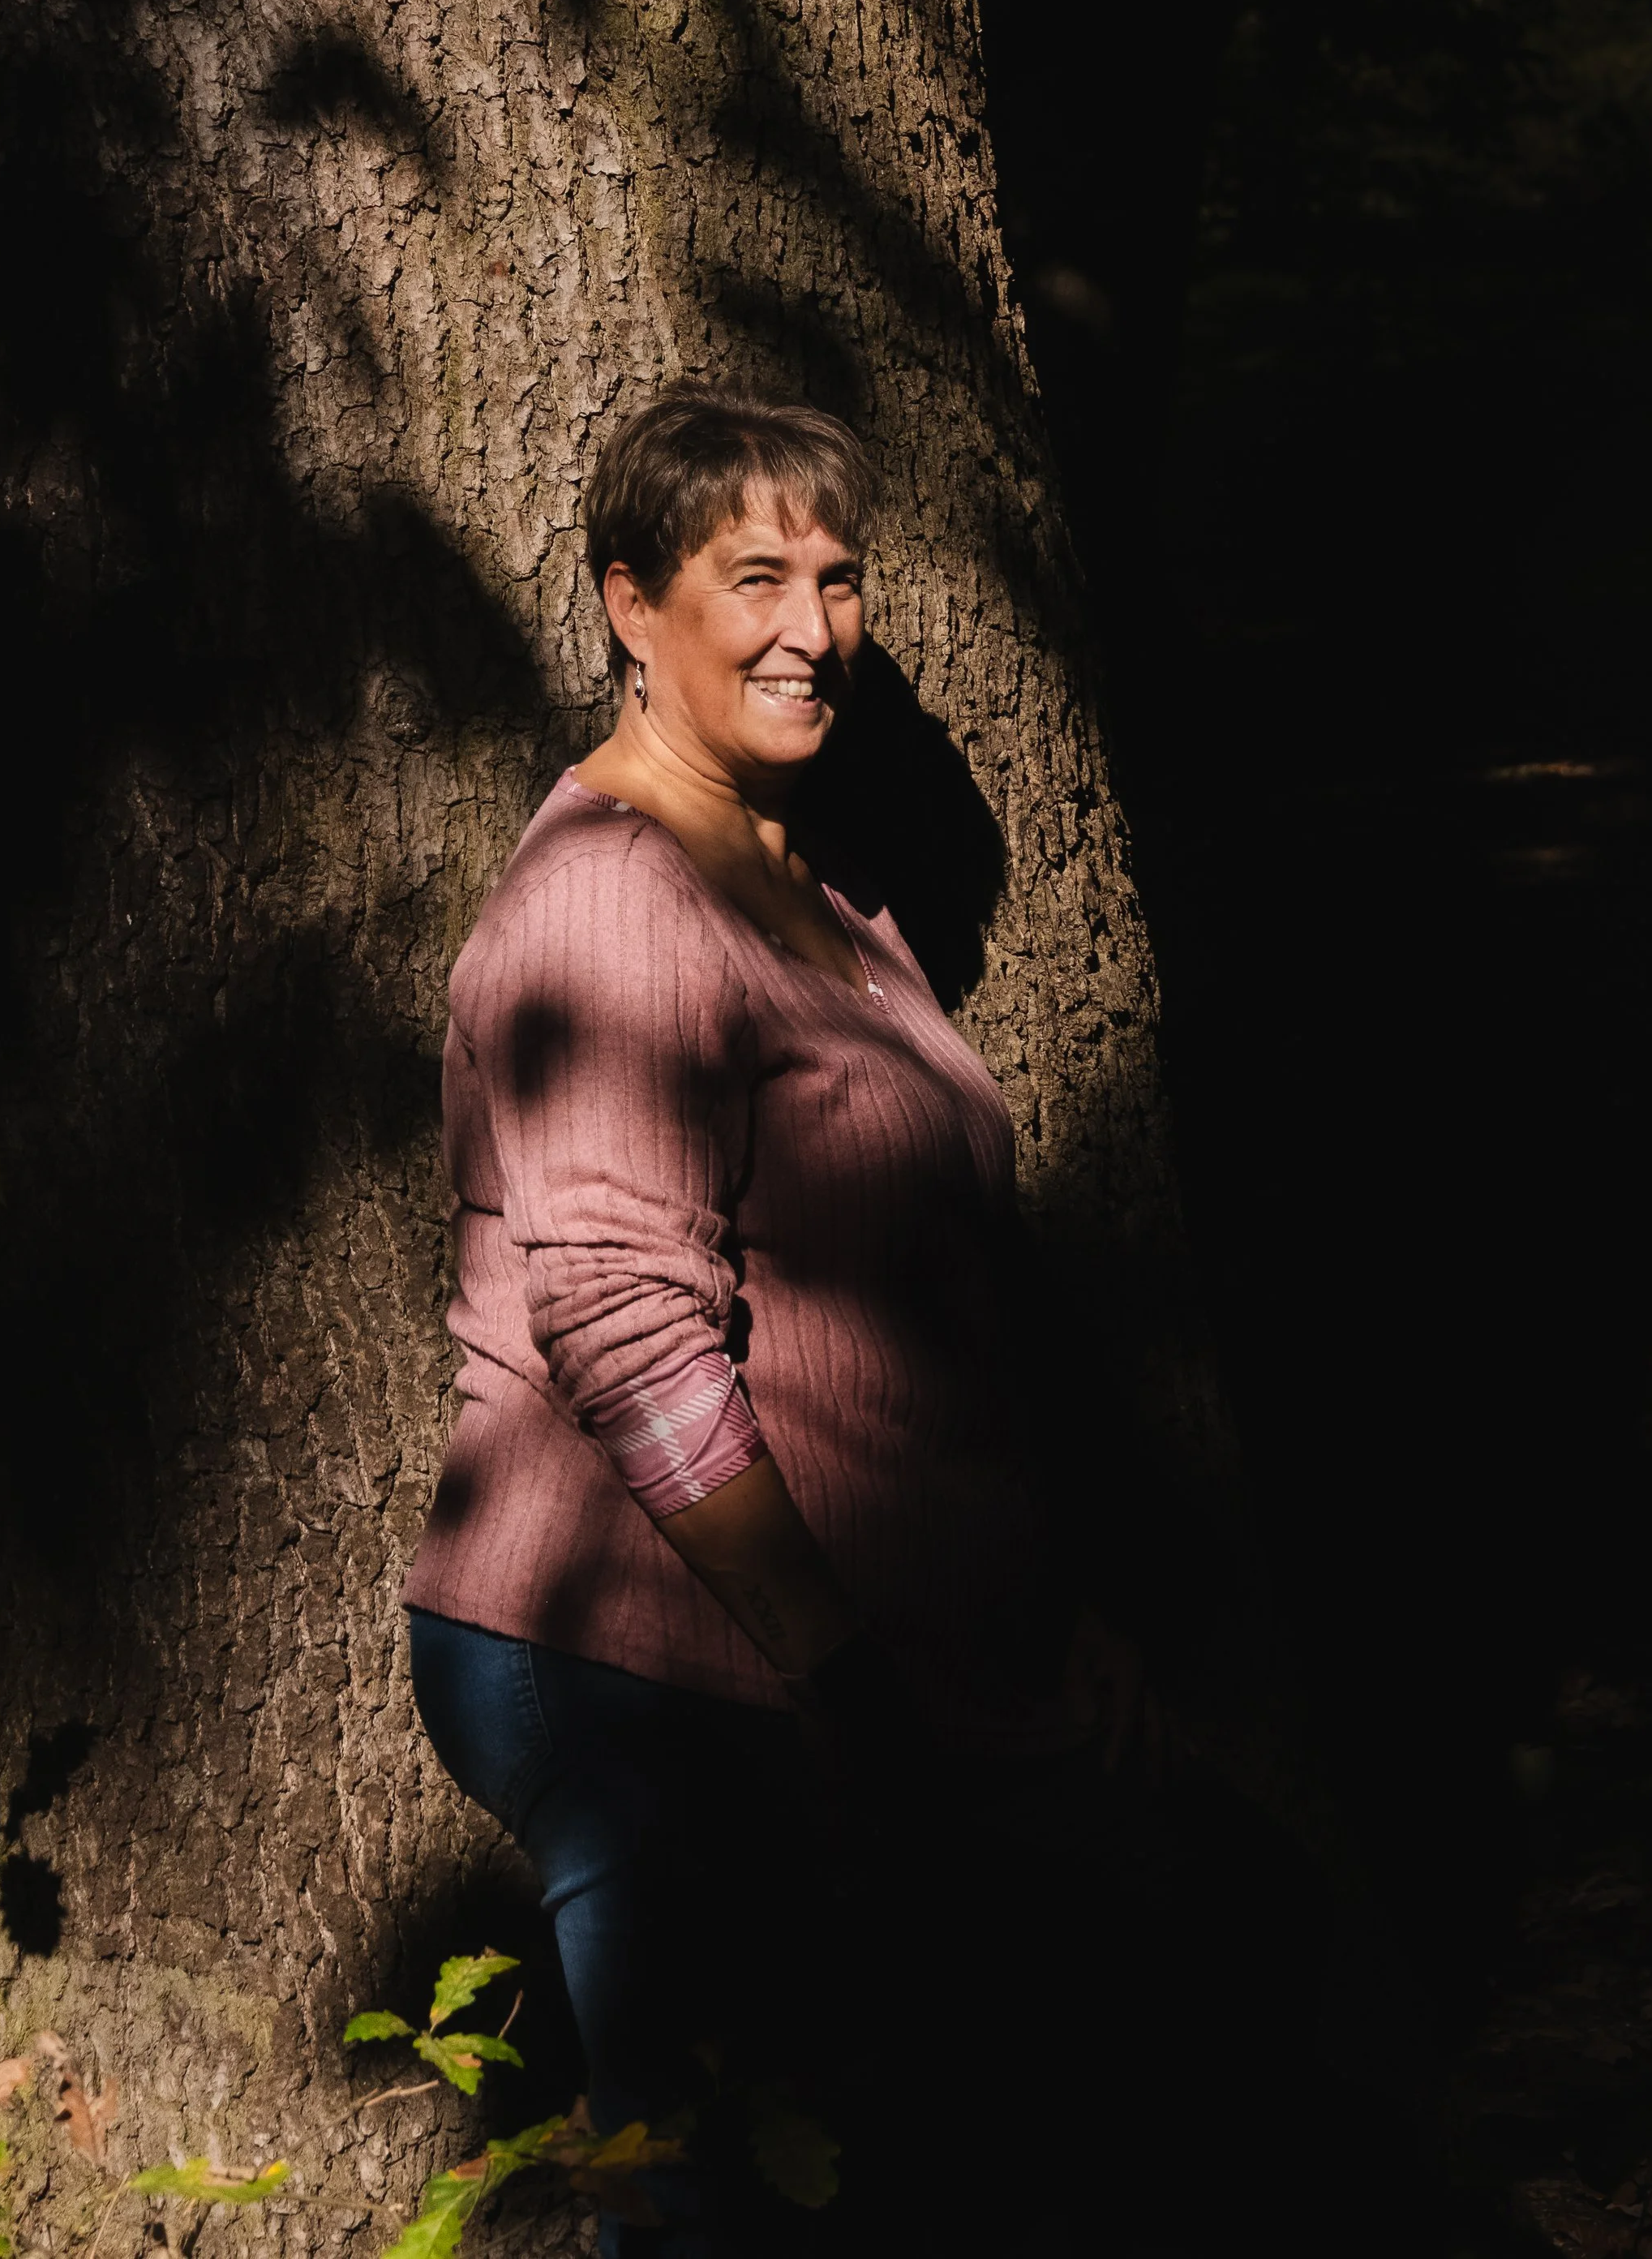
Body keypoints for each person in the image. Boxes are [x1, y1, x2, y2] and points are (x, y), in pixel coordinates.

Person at [401, 383, 1179, 2253]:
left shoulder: (809, 883)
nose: (813, 631)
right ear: (625, 602)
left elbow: (927, 1319)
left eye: (837, 579)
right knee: (717, 2198)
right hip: (653, 1665)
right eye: (754, 578)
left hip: (852, 1666)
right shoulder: (605, 905)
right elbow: (622, 1332)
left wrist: (1030, 1615)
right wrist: (838, 1674)